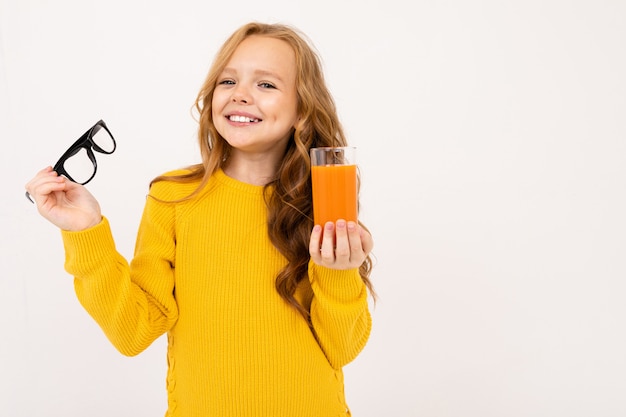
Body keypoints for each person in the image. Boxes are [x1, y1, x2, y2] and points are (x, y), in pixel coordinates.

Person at [25, 22, 375, 417]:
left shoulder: (322, 200)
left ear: (302, 112)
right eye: (228, 81)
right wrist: (85, 232)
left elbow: (343, 348)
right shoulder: (173, 197)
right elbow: (133, 331)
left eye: (266, 85)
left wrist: (339, 272)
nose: (240, 94)